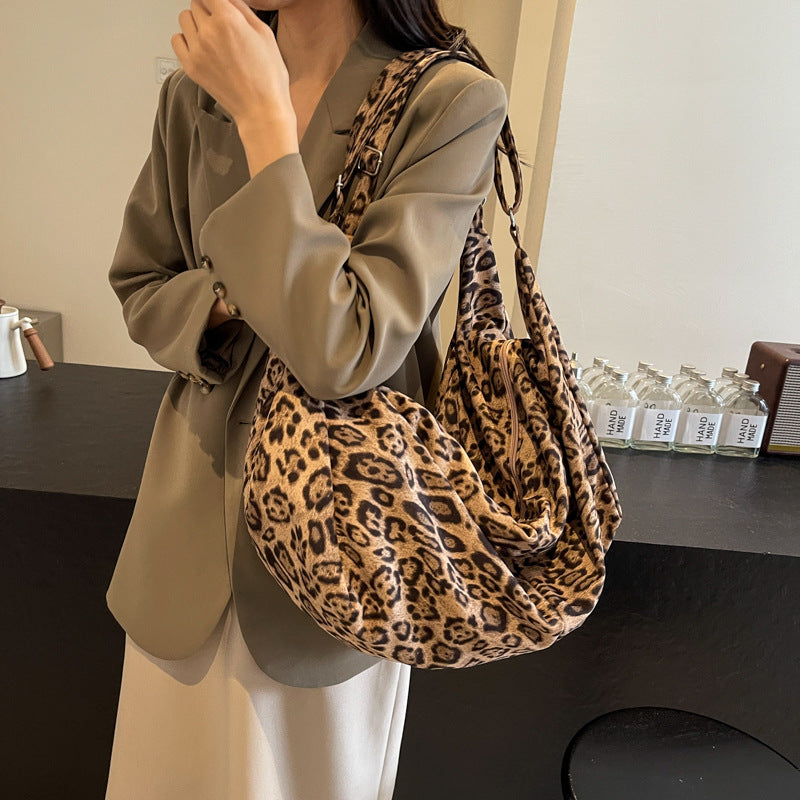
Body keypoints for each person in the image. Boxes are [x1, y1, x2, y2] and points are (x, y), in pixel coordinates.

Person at [104, 1, 507, 797]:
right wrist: (232, 299)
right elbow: (142, 283)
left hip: (341, 562)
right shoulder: (193, 95)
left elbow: (347, 348)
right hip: (181, 541)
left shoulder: (449, 101)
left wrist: (263, 116)